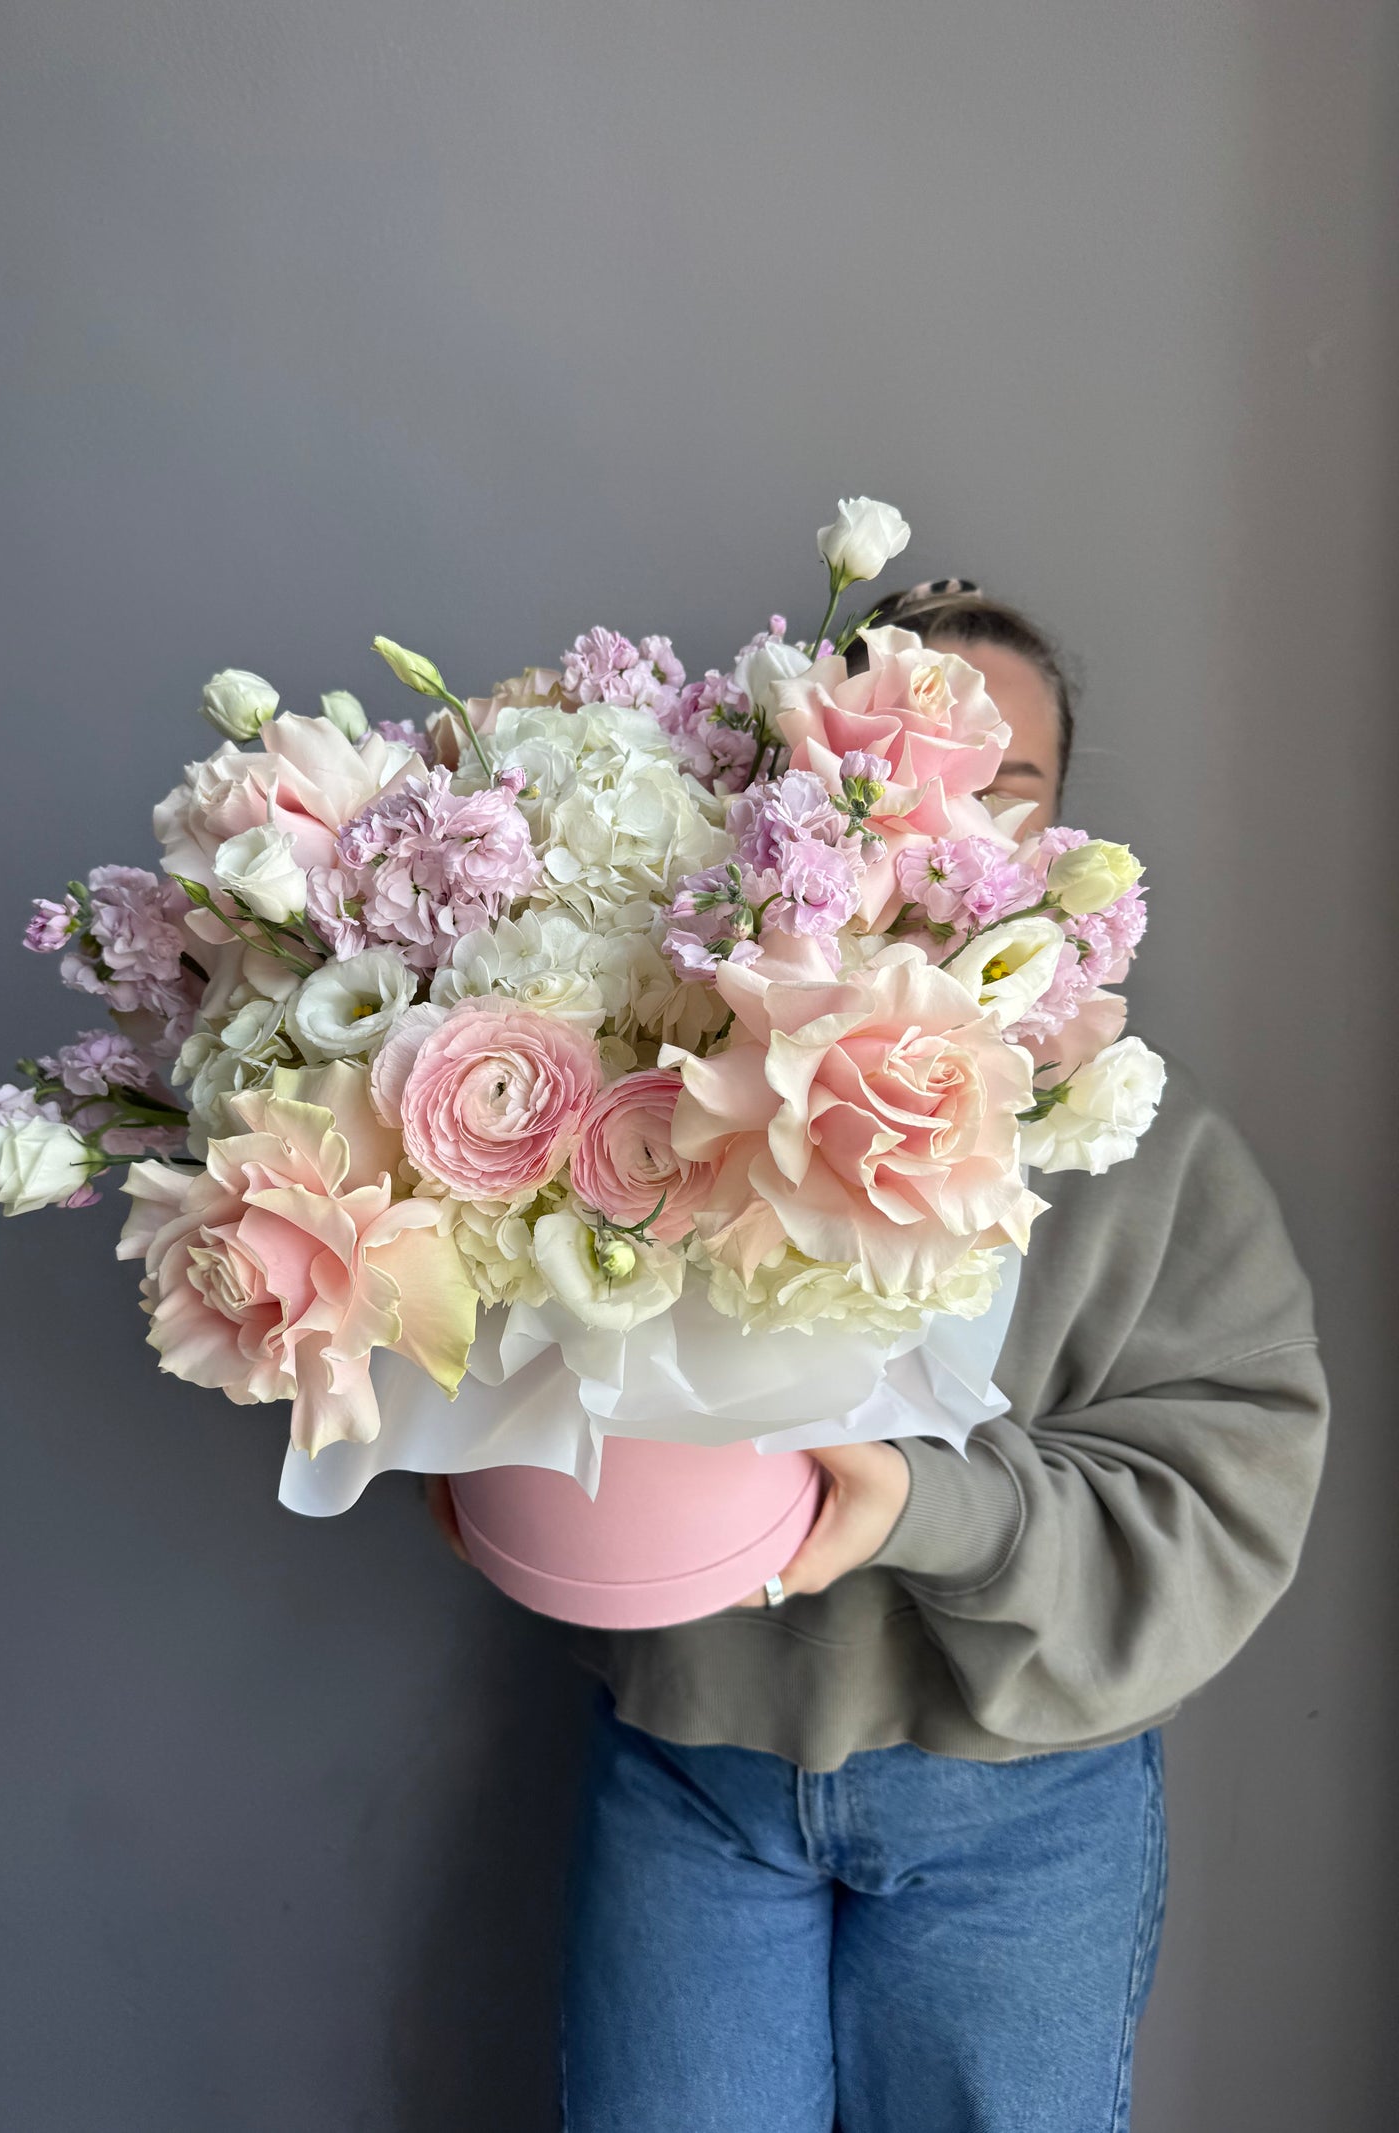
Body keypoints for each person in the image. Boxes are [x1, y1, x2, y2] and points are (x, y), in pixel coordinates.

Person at [429, 582, 1329, 2133]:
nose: (949, 825)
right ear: (799, 804)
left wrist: (922, 1504)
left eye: (1005, 788)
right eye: (889, 777)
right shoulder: (634, 1078)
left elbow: (1223, 1494)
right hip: (691, 1762)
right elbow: (499, 1331)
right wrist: (452, 1419)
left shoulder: (1152, 1152)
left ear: (1061, 836)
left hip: (1023, 1800)